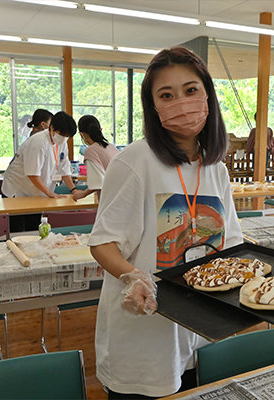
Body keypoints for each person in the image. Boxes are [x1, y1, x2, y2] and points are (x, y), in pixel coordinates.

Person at [88, 47, 243, 399]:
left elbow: (231, 242)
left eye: (191, 91)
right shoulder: (133, 163)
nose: (182, 103)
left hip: (197, 332)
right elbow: (102, 242)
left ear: (207, 95)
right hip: (144, 338)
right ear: (154, 107)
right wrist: (132, 275)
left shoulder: (215, 168)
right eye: (166, 95)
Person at [2, 111, 78, 198]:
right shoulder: (38, 142)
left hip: (38, 191)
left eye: (67, 136)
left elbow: (65, 169)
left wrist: (74, 190)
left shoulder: (62, 143)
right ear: (52, 128)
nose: (64, 138)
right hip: (18, 190)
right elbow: (32, 174)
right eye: (62, 134)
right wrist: (50, 194)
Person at [72, 115, 119, 201]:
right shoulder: (111, 147)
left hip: (110, 200)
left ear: (81, 134)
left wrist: (82, 194)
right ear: (100, 130)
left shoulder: (91, 151)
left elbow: (98, 182)